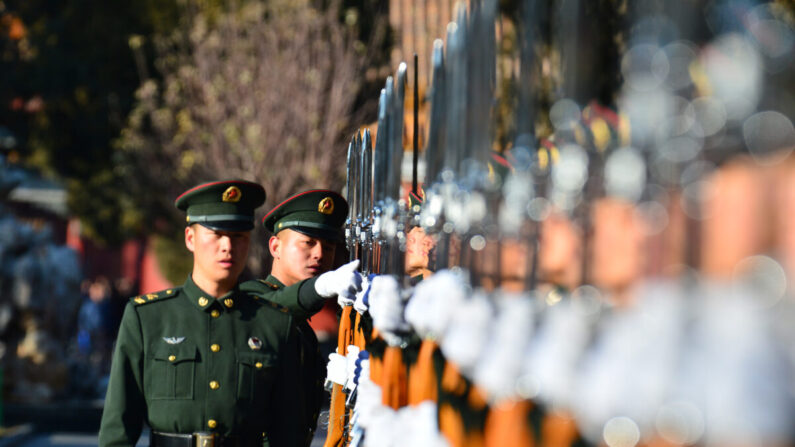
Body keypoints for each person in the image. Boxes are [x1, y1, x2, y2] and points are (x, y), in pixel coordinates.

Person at [99, 179, 304, 447]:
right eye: (217, 234)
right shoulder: (147, 318)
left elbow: (288, 434)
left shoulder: (275, 324)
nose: (228, 247)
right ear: (190, 238)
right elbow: (118, 431)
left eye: (238, 237)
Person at [240, 189, 361, 446]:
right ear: (275, 246)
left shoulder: (303, 323)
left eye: (328, 246)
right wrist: (319, 287)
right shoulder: (249, 300)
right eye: (308, 242)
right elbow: (270, 311)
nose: (319, 254)